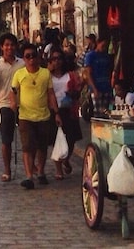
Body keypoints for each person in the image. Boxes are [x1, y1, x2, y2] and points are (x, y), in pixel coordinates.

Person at [11, 43, 56, 189]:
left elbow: (50, 93)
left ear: (38, 57)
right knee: (27, 147)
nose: (31, 59)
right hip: (25, 116)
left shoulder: (45, 73)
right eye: (27, 56)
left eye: (33, 56)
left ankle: (41, 172)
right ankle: (29, 176)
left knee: (42, 147)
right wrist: (13, 105)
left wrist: (56, 112)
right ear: (24, 59)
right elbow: (13, 91)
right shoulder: (19, 74)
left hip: (43, 115)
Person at [0, 33, 24, 183]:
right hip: (5, 104)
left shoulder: (22, 63)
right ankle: (7, 169)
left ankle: (33, 167)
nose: (9, 47)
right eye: (6, 45)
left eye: (12, 44)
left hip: (24, 104)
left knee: (28, 137)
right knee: (6, 140)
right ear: (2, 47)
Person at [48, 52, 82, 180]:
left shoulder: (71, 75)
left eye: (59, 58)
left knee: (71, 139)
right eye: (54, 59)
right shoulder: (47, 76)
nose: (57, 61)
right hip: (54, 109)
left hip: (69, 109)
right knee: (57, 140)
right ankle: (58, 169)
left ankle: (66, 159)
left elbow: (78, 90)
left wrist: (74, 93)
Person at [82, 37, 113, 117]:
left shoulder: (106, 56)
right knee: (98, 113)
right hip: (97, 87)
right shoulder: (90, 56)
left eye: (105, 46)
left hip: (107, 88)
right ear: (97, 43)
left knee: (108, 112)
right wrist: (94, 89)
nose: (104, 48)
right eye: (102, 45)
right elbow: (88, 73)